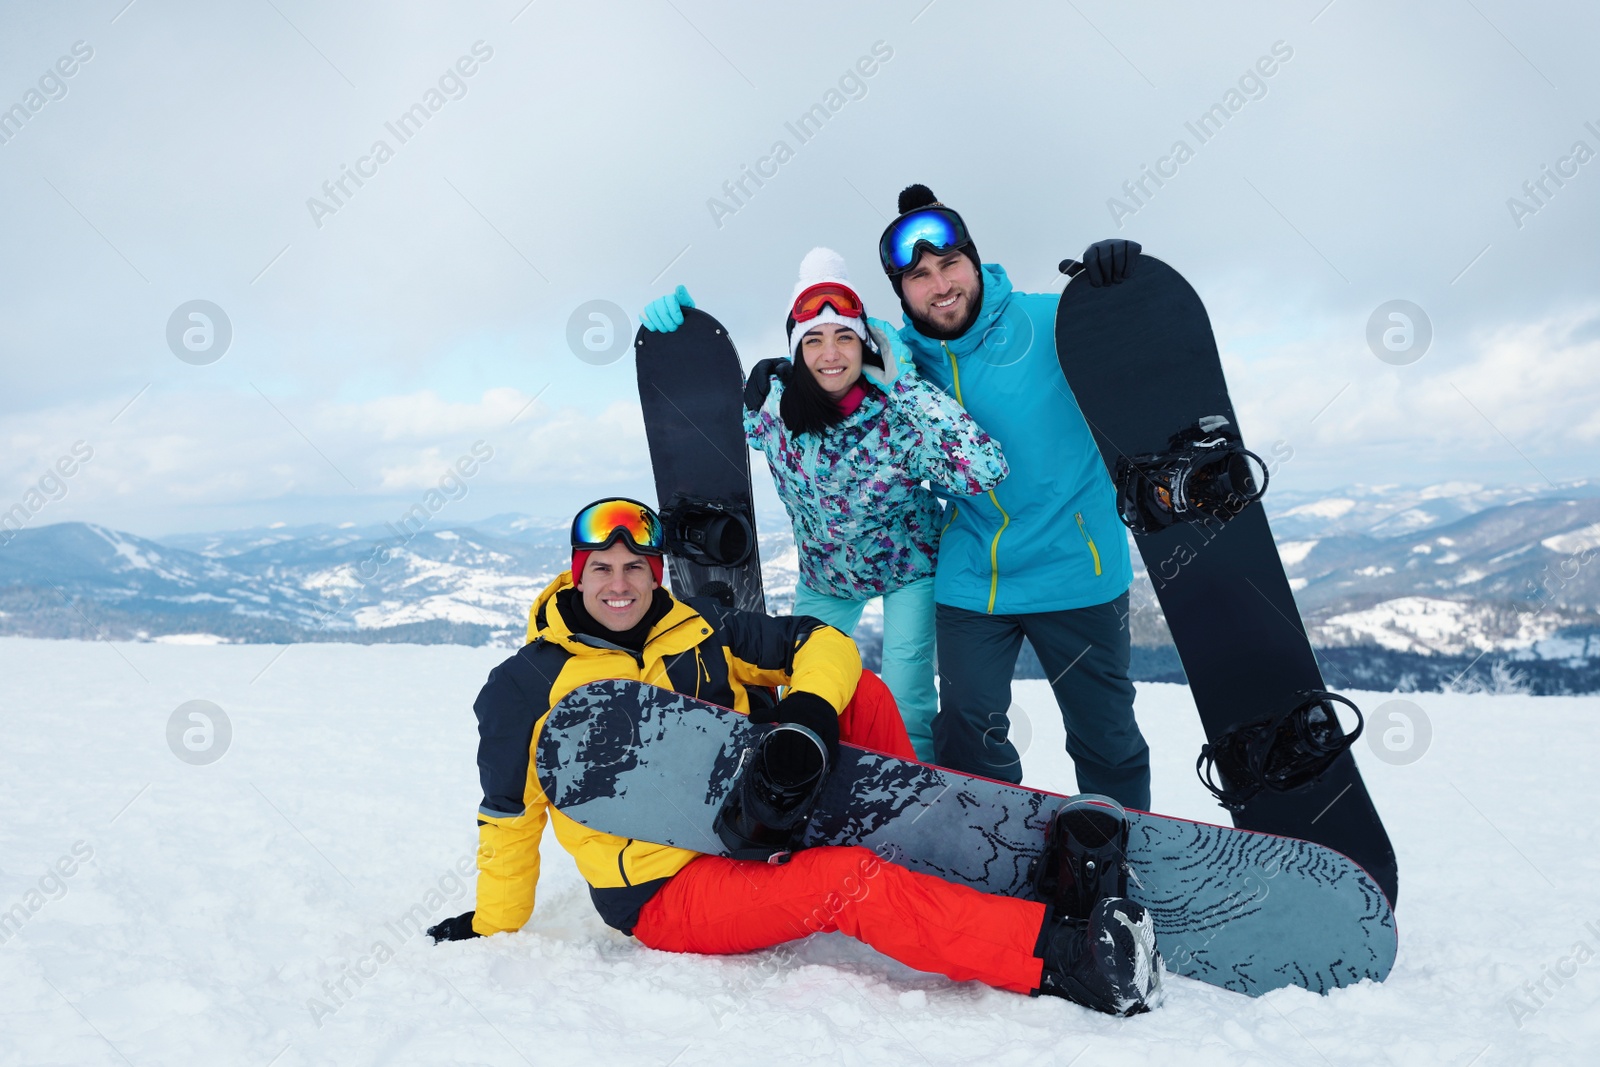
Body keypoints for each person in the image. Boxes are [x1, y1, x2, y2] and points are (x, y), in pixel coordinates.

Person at [426, 497, 1162, 1018]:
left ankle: (949, 862)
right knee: (847, 883)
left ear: (654, 571)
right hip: (665, 893)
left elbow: (824, 644)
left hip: (750, 827)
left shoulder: (699, 629)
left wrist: (805, 721)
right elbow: (509, 817)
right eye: (602, 568)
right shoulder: (525, 685)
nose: (619, 584)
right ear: (575, 575)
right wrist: (494, 922)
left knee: (862, 696)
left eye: (634, 567)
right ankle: (1060, 959)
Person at [639, 248, 1008, 761]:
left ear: (866, 344)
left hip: (910, 570)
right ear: (796, 350)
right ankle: (804, 776)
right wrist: (683, 335)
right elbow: (701, 406)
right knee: (807, 691)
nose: (830, 353)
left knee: (906, 700)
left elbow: (986, 469)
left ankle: (909, 795)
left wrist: (903, 385)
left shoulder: (896, 414)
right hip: (827, 578)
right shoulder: (771, 411)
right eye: (813, 340)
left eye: (844, 337)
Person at [873, 184, 1153, 808]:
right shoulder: (900, 359)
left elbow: (1136, 343)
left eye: (949, 265)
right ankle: (991, 847)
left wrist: (1120, 286)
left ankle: (1123, 856)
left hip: (1076, 569)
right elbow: (831, 367)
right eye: (919, 276)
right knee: (966, 733)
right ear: (901, 292)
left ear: (975, 262)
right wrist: (782, 377)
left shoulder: (1049, 319)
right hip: (976, 575)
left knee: (1104, 736)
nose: (940, 285)